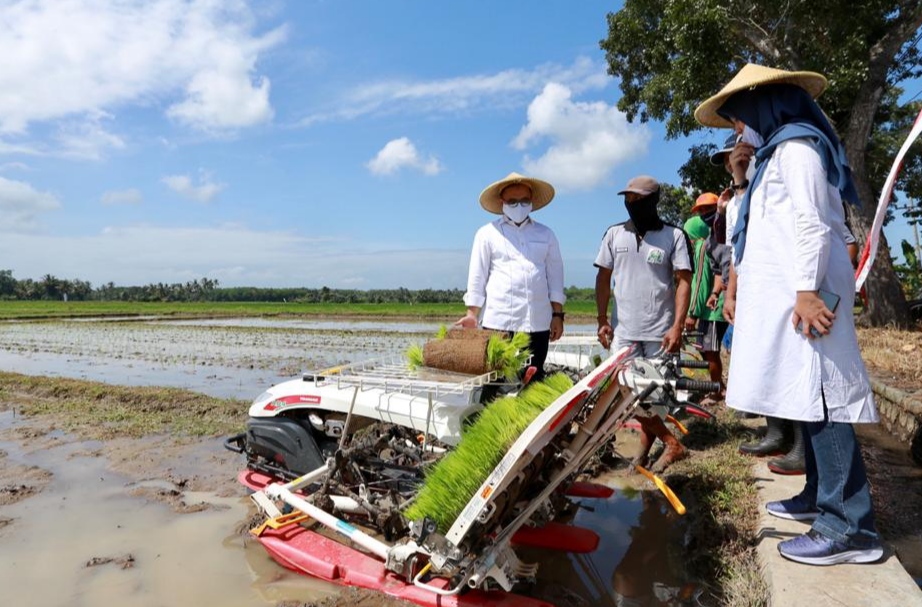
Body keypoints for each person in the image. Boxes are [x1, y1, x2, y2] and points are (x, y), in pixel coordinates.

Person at [695, 63, 882, 565]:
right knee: (806, 395)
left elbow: (810, 225)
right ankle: (817, 498)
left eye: (738, 119)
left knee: (825, 403)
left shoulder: (798, 150)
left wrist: (804, 291)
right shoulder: (775, 155)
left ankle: (850, 528)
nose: (738, 130)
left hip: (811, 298)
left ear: (763, 106)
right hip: (795, 299)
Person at [595, 175, 693, 473]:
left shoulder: (673, 236)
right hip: (623, 331)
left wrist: (677, 325)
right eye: (628, 199)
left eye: (638, 199)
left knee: (654, 395)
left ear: (653, 201)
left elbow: (683, 281)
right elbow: (603, 278)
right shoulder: (613, 235)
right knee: (629, 391)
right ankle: (670, 442)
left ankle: (651, 446)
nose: (632, 204)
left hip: (660, 332)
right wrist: (601, 319)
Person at [456, 172, 565, 382]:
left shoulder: (546, 234)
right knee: (494, 381)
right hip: (499, 322)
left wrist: (557, 315)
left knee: (532, 380)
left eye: (524, 201)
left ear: (531, 202)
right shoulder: (487, 234)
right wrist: (472, 314)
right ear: (502, 202)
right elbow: (477, 276)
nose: (519, 206)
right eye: (512, 202)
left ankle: (532, 416)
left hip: (537, 323)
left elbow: (555, 276)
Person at [682, 209, 728, 403]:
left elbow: (700, 283)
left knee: (710, 352)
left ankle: (717, 392)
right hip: (712, 308)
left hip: (712, 310)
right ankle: (720, 386)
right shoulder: (712, 245)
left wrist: (692, 313)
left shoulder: (702, 247)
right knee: (707, 350)